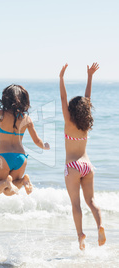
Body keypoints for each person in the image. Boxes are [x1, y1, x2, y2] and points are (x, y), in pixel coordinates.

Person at [59, 62, 106, 250]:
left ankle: (80, 236)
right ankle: (100, 224)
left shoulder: (68, 121)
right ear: (86, 110)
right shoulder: (85, 124)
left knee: (76, 204)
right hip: (87, 165)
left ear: (71, 110)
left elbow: (63, 98)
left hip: (72, 167)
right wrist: (90, 76)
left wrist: (61, 78)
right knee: (91, 201)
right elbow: (88, 99)